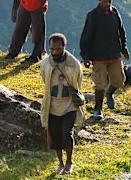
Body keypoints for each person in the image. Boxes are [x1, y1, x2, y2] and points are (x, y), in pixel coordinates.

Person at [80, 0, 130, 120]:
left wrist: (124, 48)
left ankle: (110, 94)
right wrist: (86, 57)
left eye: (109, 1)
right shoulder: (93, 15)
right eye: (104, 1)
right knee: (100, 83)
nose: (106, 4)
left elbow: (121, 31)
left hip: (114, 54)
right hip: (98, 56)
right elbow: (86, 36)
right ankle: (98, 109)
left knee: (119, 80)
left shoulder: (115, 13)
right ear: (99, 0)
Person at [40, 33, 85, 175]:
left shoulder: (74, 64)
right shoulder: (45, 64)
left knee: (67, 133)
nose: (54, 52)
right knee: (55, 136)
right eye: (52, 49)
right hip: (52, 106)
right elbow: (44, 80)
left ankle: (69, 162)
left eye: (57, 49)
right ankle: (60, 163)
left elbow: (78, 83)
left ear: (64, 47)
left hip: (69, 106)